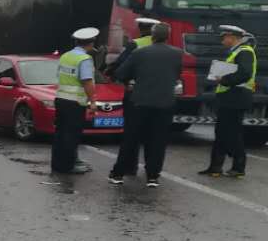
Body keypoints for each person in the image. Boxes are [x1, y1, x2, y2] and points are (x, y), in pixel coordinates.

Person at [110, 22, 180, 188]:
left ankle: (118, 174)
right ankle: (153, 176)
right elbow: (176, 73)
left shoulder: (140, 53)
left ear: (153, 36)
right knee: (158, 140)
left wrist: (134, 79)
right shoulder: (177, 54)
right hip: (165, 102)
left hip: (140, 102)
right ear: (168, 36)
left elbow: (120, 73)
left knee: (131, 138)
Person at [200, 25, 258, 179]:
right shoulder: (237, 51)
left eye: (224, 37)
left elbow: (244, 73)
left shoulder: (245, 51)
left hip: (236, 97)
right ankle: (215, 167)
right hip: (230, 97)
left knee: (232, 133)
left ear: (233, 37)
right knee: (222, 132)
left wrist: (224, 79)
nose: (222, 40)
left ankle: (238, 167)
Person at [109, 17, 159, 176]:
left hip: (135, 93)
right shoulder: (166, 47)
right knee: (153, 134)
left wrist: (122, 79)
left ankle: (129, 167)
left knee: (132, 133)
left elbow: (121, 66)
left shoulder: (135, 44)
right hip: (158, 95)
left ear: (140, 28)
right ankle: (152, 172)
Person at [50, 26, 101, 175]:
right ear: (91, 43)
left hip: (61, 99)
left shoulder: (65, 56)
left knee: (60, 134)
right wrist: (93, 101)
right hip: (75, 103)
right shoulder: (84, 59)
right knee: (71, 135)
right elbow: (87, 81)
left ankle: (57, 164)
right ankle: (68, 166)